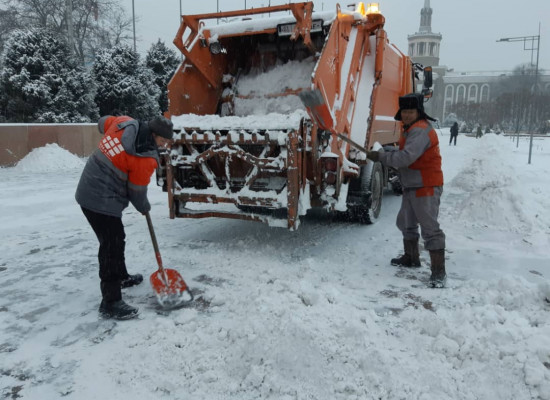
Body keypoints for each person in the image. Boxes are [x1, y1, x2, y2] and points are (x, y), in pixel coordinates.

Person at [76, 114, 174, 319]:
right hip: (100, 199)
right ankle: (110, 302)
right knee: (111, 245)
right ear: (153, 135)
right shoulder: (145, 158)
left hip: (87, 186)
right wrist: (144, 207)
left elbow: (103, 122)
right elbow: (137, 192)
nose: (164, 145)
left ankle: (121, 277)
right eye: (163, 141)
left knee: (116, 238)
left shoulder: (124, 122)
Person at [366, 93, 446, 288]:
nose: (407, 115)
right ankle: (411, 257)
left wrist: (381, 157)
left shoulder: (420, 130)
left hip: (426, 185)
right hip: (412, 184)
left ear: (418, 112)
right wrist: (388, 152)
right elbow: (405, 153)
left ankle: (439, 272)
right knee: (406, 222)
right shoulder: (411, 129)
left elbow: (406, 158)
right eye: (404, 111)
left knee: (430, 228)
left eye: (411, 111)